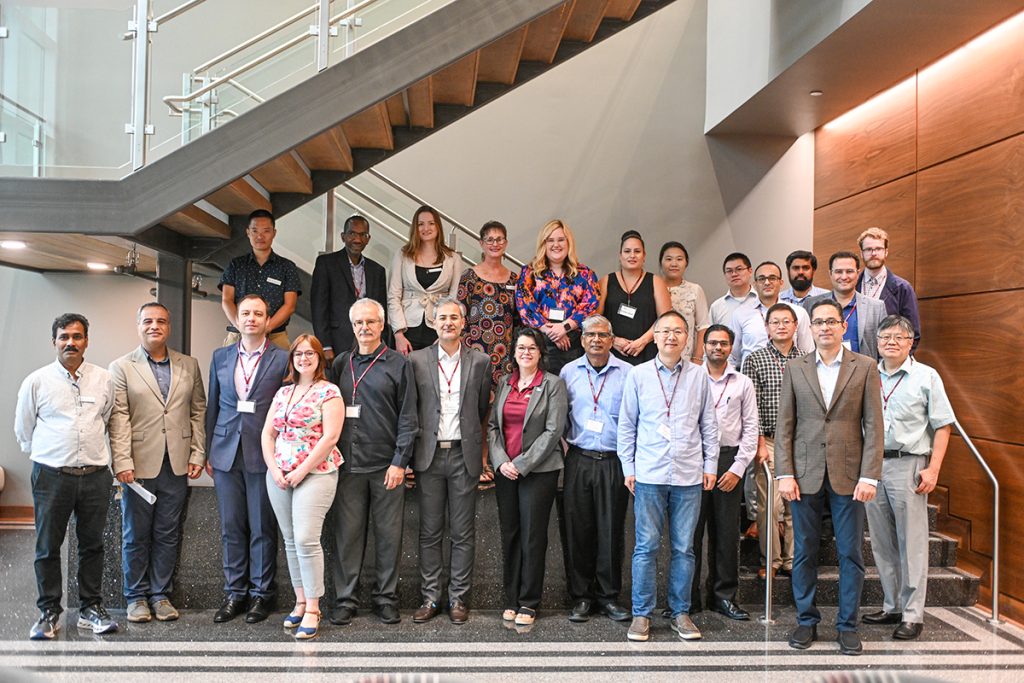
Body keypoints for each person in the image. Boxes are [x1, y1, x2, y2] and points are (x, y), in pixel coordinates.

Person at [776, 299, 884, 656]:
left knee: (850, 553)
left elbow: (874, 425)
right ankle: (806, 621)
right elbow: (785, 427)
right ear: (812, 328)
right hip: (804, 474)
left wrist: (869, 476)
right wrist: (785, 473)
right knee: (804, 552)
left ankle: (847, 625)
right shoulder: (795, 367)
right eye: (818, 322)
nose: (824, 327)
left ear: (842, 326)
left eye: (831, 321)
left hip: (850, 475)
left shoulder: (865, 366)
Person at [618, 311, 719, 643]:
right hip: (648, 473)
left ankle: (680, 613)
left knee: (684, 548)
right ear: (656, 336)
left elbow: (709, 426)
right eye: (665, 331)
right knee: (645, 548)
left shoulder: (699, 376)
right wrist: (628, 468)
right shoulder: (638, 375)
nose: (672, 336)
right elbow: (627, 426)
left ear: (687, 337)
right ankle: (641, 615)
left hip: (689, 475)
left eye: (678, 331)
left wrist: (710, 466)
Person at [15, 313, 118, 640]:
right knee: (47, 546)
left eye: (76, 336)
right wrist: (52, 455)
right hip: (51, 477)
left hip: (95, 476)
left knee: (92, 545)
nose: (70, 342)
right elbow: (24, 430)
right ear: (55, 342)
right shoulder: (37, 381)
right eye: (64, 337)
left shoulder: (103, 379)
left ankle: (90, 609)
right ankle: (48, 613)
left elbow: (106, 417)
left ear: (87, 340)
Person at [108, 302, 206, 624]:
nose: (155, 326)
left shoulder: (188, 365)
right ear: (138, 326)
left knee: (168, 532)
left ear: (169, 326)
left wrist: (197, 453)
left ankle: (160, 595)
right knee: (135, 533)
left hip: (176, 464)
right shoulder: (121, 367)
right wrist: (122, 461)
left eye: (161, 321)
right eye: (148, 321)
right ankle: (136, 597)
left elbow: (197, 412)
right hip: (137, 466)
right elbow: (119, 418)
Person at [863, 315, 954, 640]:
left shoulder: (926, 376)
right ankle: (893, 606)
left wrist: (934, 469)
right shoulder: (866, 372)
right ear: (877, 342)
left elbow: (943, 425)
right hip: (873, 466)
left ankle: (913, 614)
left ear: (911, 341)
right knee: (882, 542)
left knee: (912, 542)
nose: (891, 342)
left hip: (909, 464)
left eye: (899, 337)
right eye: (885, 336)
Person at [329, 298, 418, 626]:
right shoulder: (340, 363)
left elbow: (408, 417)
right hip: (347, 467)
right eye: (358, 323)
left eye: (370, 322)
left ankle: (385, 598)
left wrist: (400, 461)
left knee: (388, 536)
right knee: (347, 537)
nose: (364, 328)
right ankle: (345, 600)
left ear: (383, 325)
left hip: (386, 467)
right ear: (352, 327)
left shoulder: (398, 364)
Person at [206, 294, 290, 624]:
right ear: (237, 319)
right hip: (226, 452)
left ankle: (261, 594)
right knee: (231, 528)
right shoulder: (220, 356)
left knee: (262, 528)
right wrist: (208, 450)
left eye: (258, 313)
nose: (251, 318)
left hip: (263, 453)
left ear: (269, 320)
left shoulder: (283, 359)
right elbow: (213, 405)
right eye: (245, 313)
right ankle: (234, 593)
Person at [408, 299, 492, 624]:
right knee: (429, 532)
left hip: (463, 454)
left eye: (453, 317)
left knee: (463, 532)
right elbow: (411, 409)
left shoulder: (480, 361)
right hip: (428, 456)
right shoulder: (416, 360)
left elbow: (482, 411)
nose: (447, 323)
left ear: (463, 323)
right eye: (442, 317)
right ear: (433, 321)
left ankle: (458, 597)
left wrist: (481, 451)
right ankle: (430, 597)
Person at [262, 334, 345, 640]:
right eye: (299, 354)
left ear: (319, 359)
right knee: (290, 541)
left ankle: (313, 607)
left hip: (316, 473)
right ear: (292, 358)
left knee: (306, 538)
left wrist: (300, 470)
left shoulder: (329, 391)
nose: (304, 358)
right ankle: (299, 600)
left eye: (310, 354)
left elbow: (331, 437)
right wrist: (275, 469)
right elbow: (267, 435)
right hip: (279, 475)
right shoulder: (283, 393)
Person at [489, 326, 569, 626]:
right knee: (510, 534)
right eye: (521, 348)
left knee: (533, 536)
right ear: (514, 352)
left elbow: (553, 431)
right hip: (505, 471)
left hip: (539, 472)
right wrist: (501, 461)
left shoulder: (552, 385)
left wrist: (521, 463)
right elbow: (494, 428)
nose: (526, 353)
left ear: (540, 353)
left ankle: (529, 602)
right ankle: (511, 599)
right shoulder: (505, 383)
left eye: (532, 348)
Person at [560, 315, 631, 623]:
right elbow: (560, 416)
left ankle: (608, 596)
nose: (597, 340)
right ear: (582, 339)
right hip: (578, 458)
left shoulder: (629, 373)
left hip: (614, 461)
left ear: (612, 340)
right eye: (591, 335)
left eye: (603, 335)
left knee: (611, 529)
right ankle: (582, 597)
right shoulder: (568, 371)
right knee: (579, 530)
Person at [691, 324, 758, 620]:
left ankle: (724, 596)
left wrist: (739, 468)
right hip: (694, 462)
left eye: (724, 343)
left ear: (731, 347)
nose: (718, 348)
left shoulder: (742, 382)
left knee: (726, 533)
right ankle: (687, 599)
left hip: (729, 462)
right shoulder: (691, 378)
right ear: (703, 346)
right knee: (689, 534)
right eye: (712, 343)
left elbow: (751, 429)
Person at [740, 303, 804, 580]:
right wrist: (758, 443)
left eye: (786, 321)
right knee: (769, 506)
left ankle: (792, 560)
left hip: (802, 441)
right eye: (775, 322)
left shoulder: (807, 359)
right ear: (766, 328)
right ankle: (772, 559)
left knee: (796, 504)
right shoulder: (754, 359)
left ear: (795, 326)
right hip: (769, 440)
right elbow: (750, 406)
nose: (780, 326)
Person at [457, 220, 520, 488]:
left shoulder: (515, 279)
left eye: (500, 239)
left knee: (497, 411)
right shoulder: (469, 277)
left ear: (506, 244)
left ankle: (492, 459)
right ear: (481, 244)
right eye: (489, 239)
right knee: (475, 409)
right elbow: (459, 316)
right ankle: (474, 460)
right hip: (475, 354)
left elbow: (519, 321)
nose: (495, 243)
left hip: (504, 356)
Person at [515, 219, 599, 375]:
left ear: (569, 243)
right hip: (539, 345)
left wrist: (564, 327)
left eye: (561, 240)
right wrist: (551, 331)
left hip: (572, 345)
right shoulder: (529, 273)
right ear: (543, 244)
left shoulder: (585, 274)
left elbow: (590, 305)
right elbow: (525, 306)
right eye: (550, 240)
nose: (556, 245)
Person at [311, 214, 390, 362]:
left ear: (368, 238)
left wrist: (381, 343)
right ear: (343, 236)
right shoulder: (326, 264)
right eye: (352, 233)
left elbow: (382, 312)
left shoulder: (377, 270)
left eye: (362, 235)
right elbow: (319, 307)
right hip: (337, 340)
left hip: (370, 341)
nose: (357, 239)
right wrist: (325, 345)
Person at [220, 209, 302, 349]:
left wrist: (265, 328)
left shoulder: (287, 267)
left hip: (275, 335)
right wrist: (242, 327)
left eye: (266, 231)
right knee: (229, 369)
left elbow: (289, 305)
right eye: (255, 231)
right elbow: (227, 300)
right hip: (239, 334)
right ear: (248, 232)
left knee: (282, 370)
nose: (260, 236)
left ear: (274, 233)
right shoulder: (236, 265)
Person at [388, 205, 464, 355]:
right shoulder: (403, 254)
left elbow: (455, 299)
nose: (426, 228)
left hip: (438, 329)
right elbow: (393, 295)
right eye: (420, 224)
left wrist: (447, 335)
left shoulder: (453, 258)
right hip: (407, 328)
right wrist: (398, 334)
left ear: (438, 227)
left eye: (431, 223)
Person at [597, 230, 672, 366]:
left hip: (647, 352)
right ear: (620, 256)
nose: (632, 255)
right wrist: (612, 340)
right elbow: (595, 319)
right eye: (627, 251)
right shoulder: (606, 281)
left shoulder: (656, 281)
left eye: (637, 251)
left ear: (644, 256)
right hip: (612, 353)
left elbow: (665, 319)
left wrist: (642, 341)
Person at [729, 261, 813, 368]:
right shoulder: (740, 314)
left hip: (791, 377)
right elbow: (733, 356)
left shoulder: (798, 312)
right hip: (752, 377)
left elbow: (808, 353)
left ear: (781, 282)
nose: (767, 282)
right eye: (762, 279)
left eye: (772, 278)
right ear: (755, 284)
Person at [805, 251, 887, 361]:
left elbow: (884, 348)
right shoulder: (811, 304)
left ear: (858, 273)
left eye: (849, 271)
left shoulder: (876, 307)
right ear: (830, 273)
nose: (844, 277)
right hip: (822, 373)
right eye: (839, 271)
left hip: (863, 374)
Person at [856, 227, 921, 351]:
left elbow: (913, 333)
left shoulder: (902, 288)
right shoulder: (852, 286)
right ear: (861, 253)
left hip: (889, 362)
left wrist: (895, 364)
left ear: (886, 252)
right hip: (857, 362)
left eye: (878, 249)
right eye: (868, 249)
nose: (873, 253)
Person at [659, 241, 709, 364]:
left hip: (686, 358)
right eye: (669, 259)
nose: (674, 264)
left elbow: (703, 327)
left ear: (686, 263)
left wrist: (697, 358)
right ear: (661, 262)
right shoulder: (653, 287)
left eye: (679, 259)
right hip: (656, 358)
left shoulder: (695, 290)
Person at [708, 252, 757, 326]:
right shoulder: (716, 307)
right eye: (729, 271)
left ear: (750, 271)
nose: (734, 274)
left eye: (739, 269)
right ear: (725, 275)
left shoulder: (762, 300)